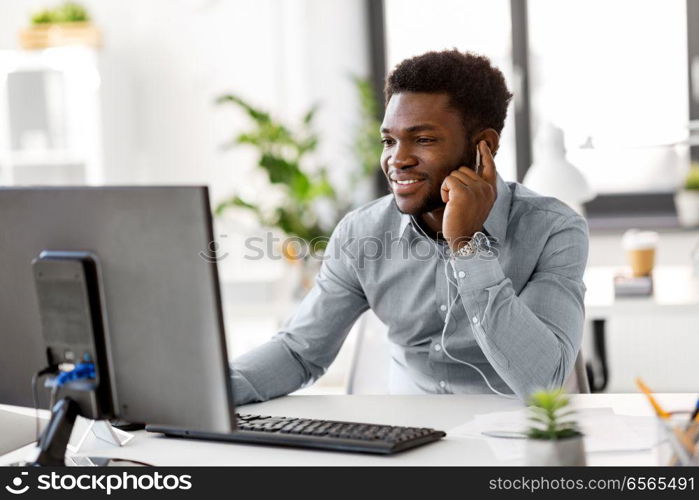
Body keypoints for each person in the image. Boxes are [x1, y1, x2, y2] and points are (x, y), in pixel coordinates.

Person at [231, 49, 589, 404]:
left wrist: (467, 246)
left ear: (485, 147)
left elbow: (544, 382)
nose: (397, 160)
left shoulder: (553, 230)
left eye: (423, 140)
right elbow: (299, 352)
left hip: (518, 440)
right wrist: (211, 394)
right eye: (389, 141)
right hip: (408, 443)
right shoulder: (362, 233)